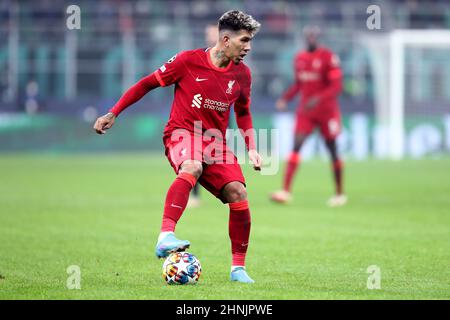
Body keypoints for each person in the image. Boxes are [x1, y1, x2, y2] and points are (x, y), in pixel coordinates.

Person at [93, 10, 262, 283]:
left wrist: (251, 147)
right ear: (226, 39)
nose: (248, 47)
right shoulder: (187, 61)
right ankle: (165, 236)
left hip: (215, 142)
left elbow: (243, 112)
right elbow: (147, 84)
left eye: (250, 41)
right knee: (192, 165)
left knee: (238, 192)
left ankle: (238, 269)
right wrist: (114, 112)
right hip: (182, 132)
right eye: (244, 40)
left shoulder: (242, 75)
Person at [270, 26, 347, 207]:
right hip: (306, 111)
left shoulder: (328, 57)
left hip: (327, 111)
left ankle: (339, 193)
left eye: (314, 36)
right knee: (296, 145)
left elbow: (337, 87)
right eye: (308, 36)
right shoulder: (300, 59)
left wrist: (318, 98)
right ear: (305, 38)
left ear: (318, 38)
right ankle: (285, 191)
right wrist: (285, 99)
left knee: (332, 149)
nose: (311, 38)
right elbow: (298, 84)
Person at [186, 22, 220, 209]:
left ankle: (223, 189)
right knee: (196, 156)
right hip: (199, 118)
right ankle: (195, 194)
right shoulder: (198, 59)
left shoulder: (232, 62)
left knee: (213, 157)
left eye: (213, 32)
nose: (210, 36)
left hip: (221, 118)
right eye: (208, 33)